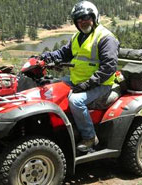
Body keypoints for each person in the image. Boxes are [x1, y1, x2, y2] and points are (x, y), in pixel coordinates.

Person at [40, 1, 120, 152]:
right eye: (79, 20)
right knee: (51, 89)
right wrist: (45, 57)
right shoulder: (78, 37)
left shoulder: (105, 38)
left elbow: (108, 67)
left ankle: (89, 137)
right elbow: (63, 53)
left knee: (76, 101)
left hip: (101, 84)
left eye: (85, 18)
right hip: (77, 79)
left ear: (94, 17)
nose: (82, 22)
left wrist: (88, 84)